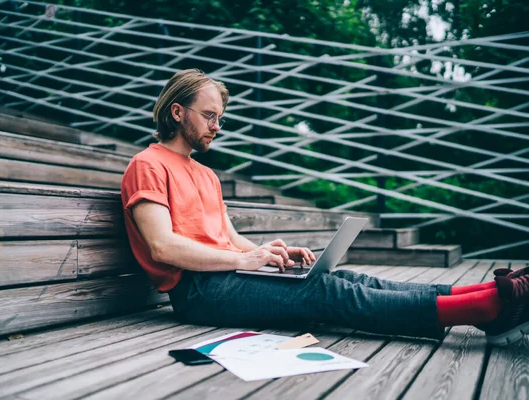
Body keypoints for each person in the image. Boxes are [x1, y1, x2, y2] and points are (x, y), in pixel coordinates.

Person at [121, 69, 529, 346]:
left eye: (220, 119)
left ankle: (485, 293)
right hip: (198, 293)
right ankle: (490, 307)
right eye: (210, 116)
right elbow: (163, 247)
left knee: (347, 277)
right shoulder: (147, 164)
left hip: (223, 278)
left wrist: (270, 252)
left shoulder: (206, 175)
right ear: (178, 112)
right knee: (327, 292)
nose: (216, 127)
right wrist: (247, 261)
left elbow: (227, 239)